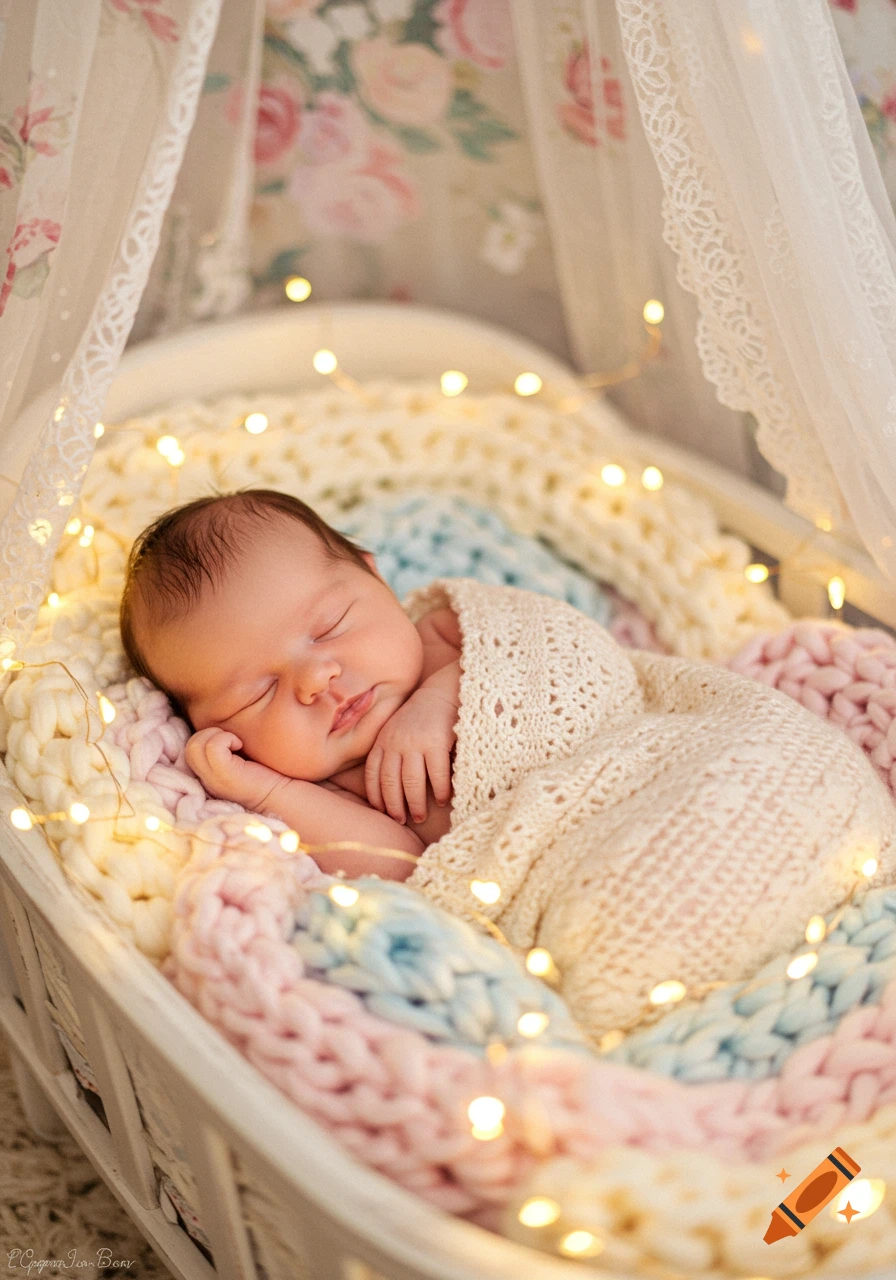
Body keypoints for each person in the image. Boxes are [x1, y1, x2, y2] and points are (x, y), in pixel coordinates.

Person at [119, 489, 461, 881]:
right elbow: (403, 867)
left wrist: (437, 702)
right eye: (260, 693)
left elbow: (540, 637)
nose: (316, 679)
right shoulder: (328, 790)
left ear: (377, 578)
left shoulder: (449, 633)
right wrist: (271, 793)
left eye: (331, 625)